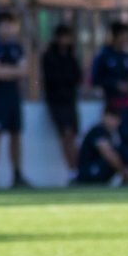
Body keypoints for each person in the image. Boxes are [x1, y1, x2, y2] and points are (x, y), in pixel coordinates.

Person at [0, 10, 29, 188]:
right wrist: (12, 71)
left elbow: (25, 70)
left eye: (10, 25)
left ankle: (17, 175)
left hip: (14, 97)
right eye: (3, 25)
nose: (7, 28)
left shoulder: (17, 47)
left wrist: (6, 71)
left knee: (16, 135)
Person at [91, 21, 128, 164]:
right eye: (124, 35)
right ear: (116, 36)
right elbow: (96, 80)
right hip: (113, 106)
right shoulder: (104, 56)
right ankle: (121, 170)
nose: (127, 38)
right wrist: (115, 85)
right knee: (116, 140)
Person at [41, 23, 82, 171]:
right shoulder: (50, 56)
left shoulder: (71, 56)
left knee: (73, 135)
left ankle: (78, 168)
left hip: (70, 101)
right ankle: (73, 170)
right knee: (66, 134)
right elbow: (53, 79)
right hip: (57, 102)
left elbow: (77, 77)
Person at [75, 105, 128, 185]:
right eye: (109, 117)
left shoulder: (113, 134)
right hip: (88, 172)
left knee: (124, 153)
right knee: (117, 155)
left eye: (114, 118)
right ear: (103, 117)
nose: (111, 121)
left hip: (96, 170)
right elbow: (108, 153)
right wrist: (123, 171)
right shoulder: (98, 131)